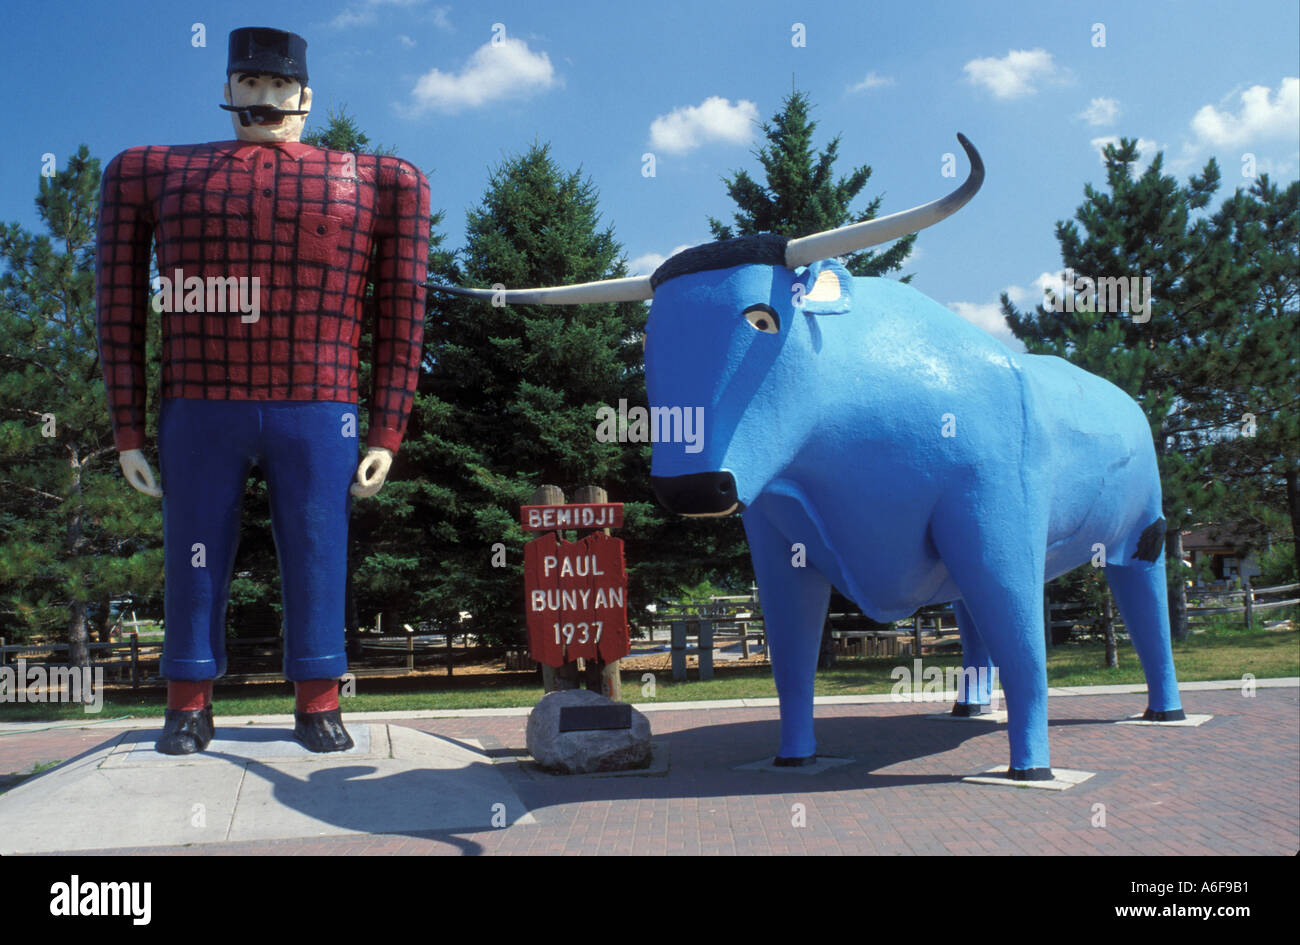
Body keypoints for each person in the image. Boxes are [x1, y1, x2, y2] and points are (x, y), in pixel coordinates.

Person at [95, 26, 430, 753]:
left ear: (305, 96)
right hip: (200, 400)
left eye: (279, 87)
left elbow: (403, 309)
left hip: (319, 401)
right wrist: (127, 429)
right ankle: (187, 699)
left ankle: (318, 698)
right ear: (226, 92)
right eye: (249, 85)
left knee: (317, 545)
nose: (265, 98)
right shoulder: (147, 172)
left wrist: (385, 429)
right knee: (192, 548)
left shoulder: (380, 180)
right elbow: (117, 304)